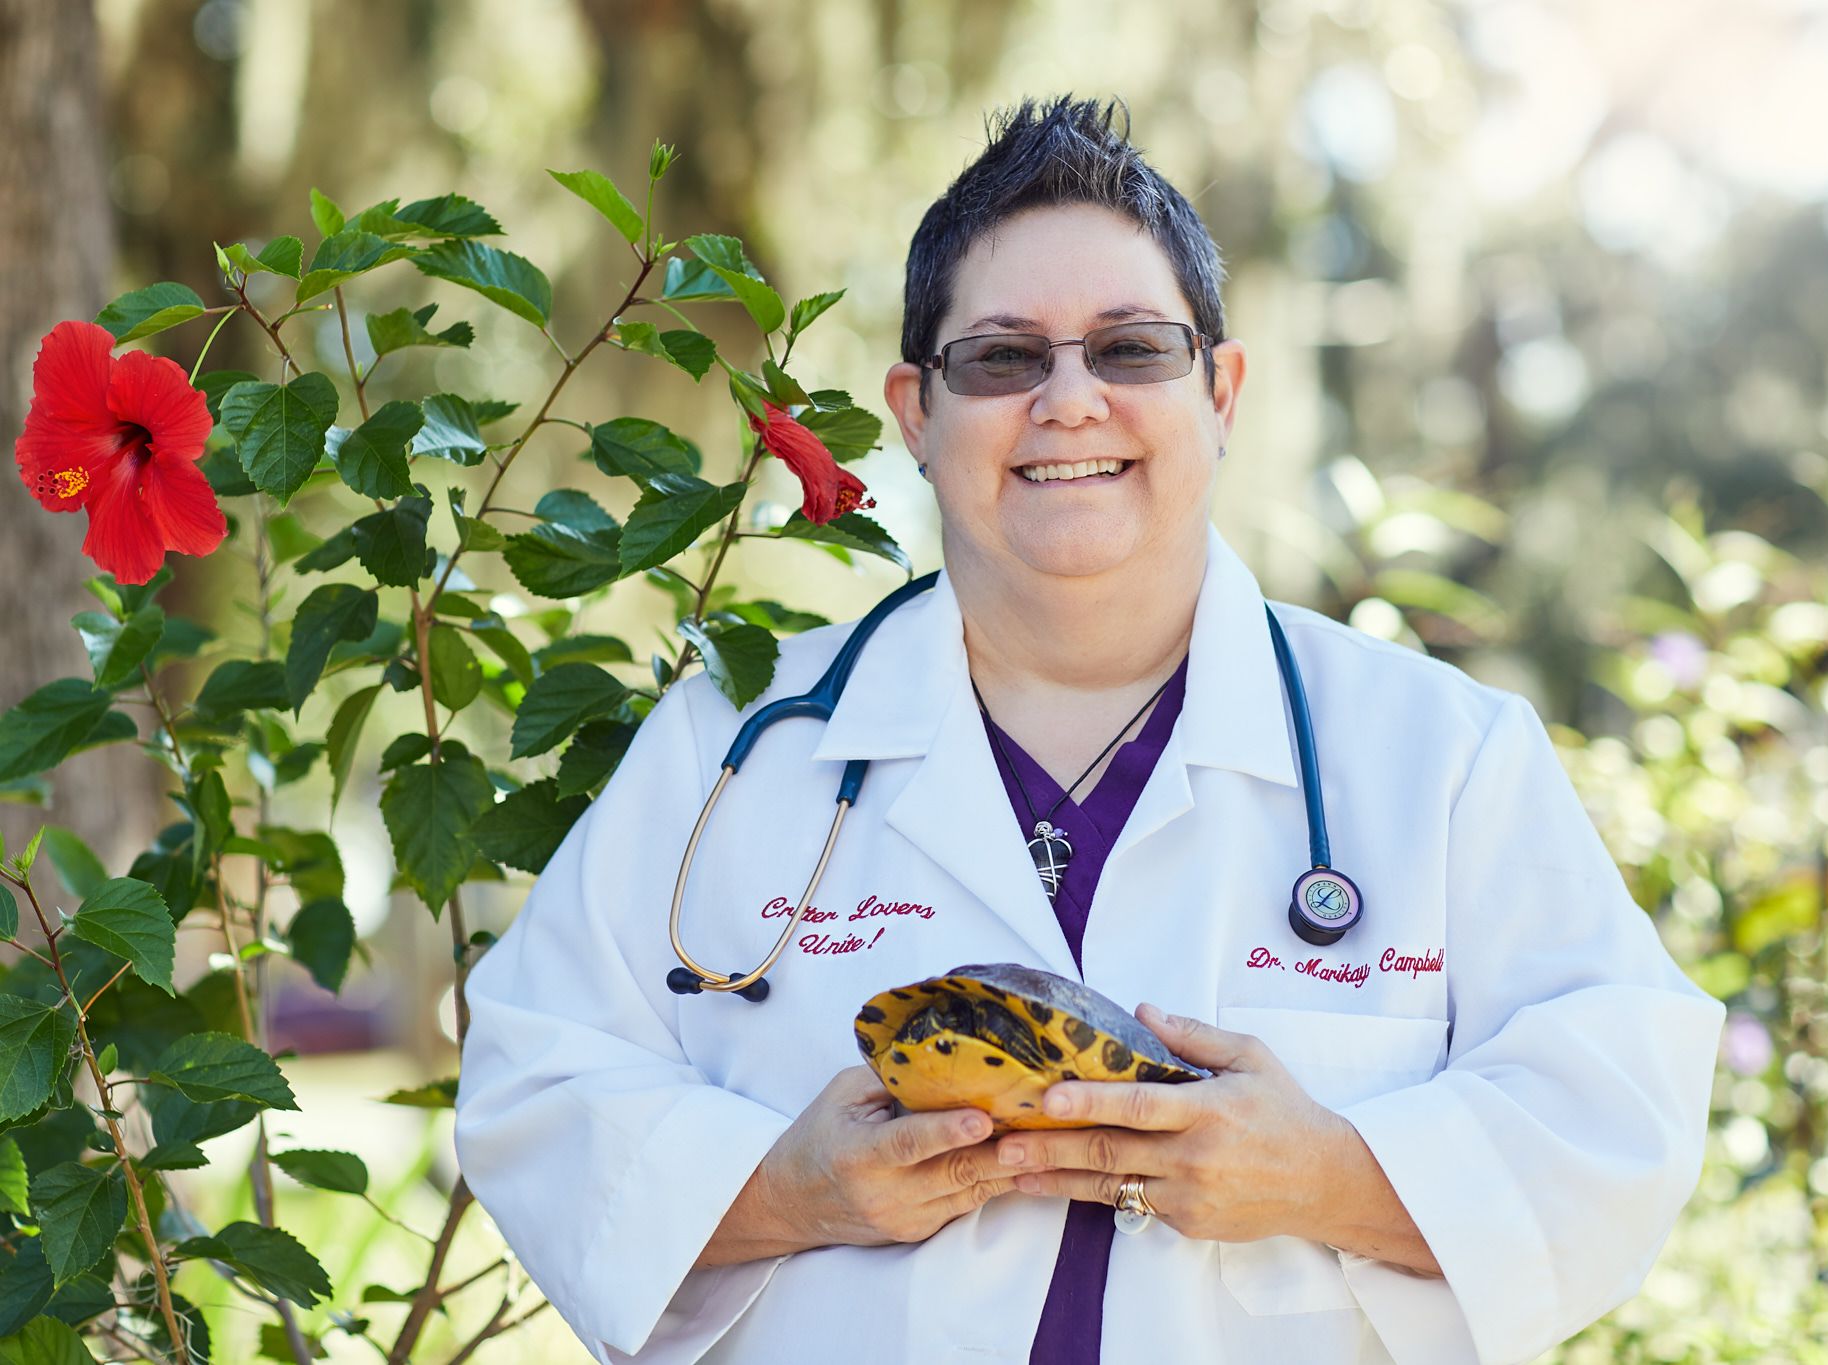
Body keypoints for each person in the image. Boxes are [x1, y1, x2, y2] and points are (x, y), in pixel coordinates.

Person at [452, 95, 1725, 1365]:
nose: (1069, 401)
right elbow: (535, 1081)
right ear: (915, 412)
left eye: (1129, 349)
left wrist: (1327, 1178)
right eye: (1003, 358)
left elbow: (1615, 1115)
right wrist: (793, 1193)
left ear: (1219, 392)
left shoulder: (1440, 758)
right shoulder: (729, 745)